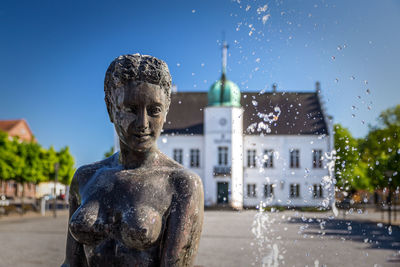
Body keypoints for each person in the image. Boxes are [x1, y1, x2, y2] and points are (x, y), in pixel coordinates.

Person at [62, 54, 204, 267]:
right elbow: (72, 263)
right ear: (111, 109)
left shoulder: (181, 183)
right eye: (130, 109)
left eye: (154, 110)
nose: (143, 123)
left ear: (166, 111)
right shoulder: (85, 177)